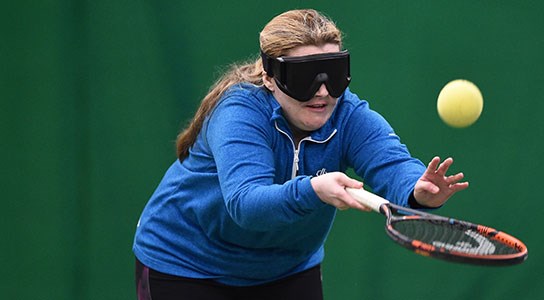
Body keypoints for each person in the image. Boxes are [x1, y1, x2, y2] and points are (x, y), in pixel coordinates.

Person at [132, 8, 468, 300]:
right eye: (305, 76)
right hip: (187, 265)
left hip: (287, 268)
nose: (322, 91)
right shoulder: (238, 113)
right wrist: (313, 190)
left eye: (334, 73)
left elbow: (393, 164)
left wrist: (417, 191)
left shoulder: (348, 115)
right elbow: (246, 205)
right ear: (270, 76)